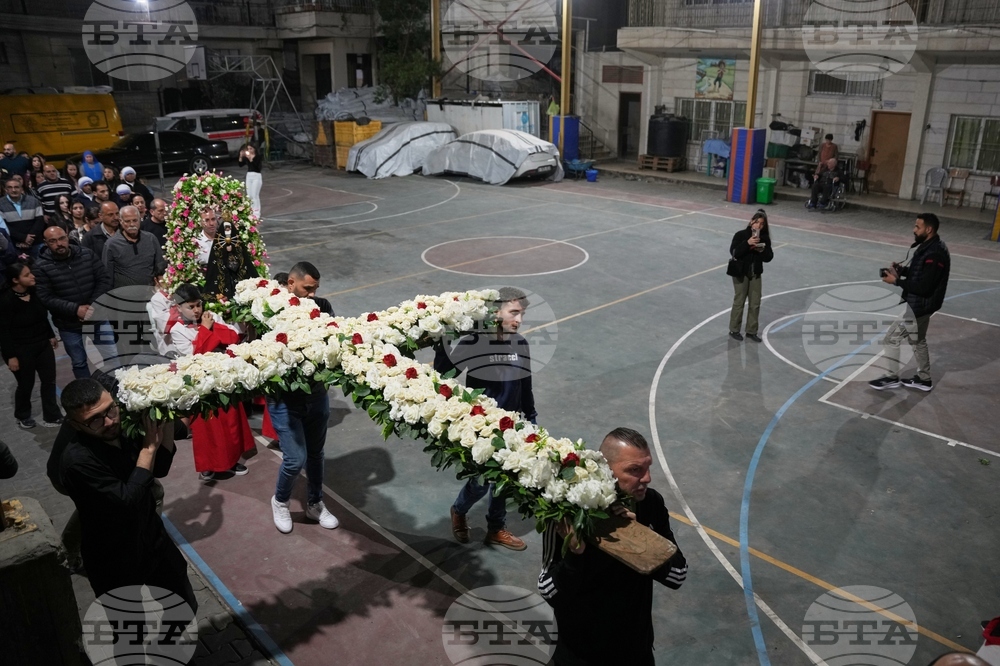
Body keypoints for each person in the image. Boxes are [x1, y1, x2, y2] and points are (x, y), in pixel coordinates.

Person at [537, 427, 687, 666]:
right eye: (635, 470)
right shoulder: (568, 514)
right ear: (606, 471)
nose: (647, 478)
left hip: (634, 650)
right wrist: (576, 556)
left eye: (647, 468)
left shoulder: (651, 504)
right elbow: (548, 590)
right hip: (579, 654)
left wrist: (640, 539)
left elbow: (678, 575)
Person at [53, 378, 196, 614]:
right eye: (94, 420)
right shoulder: (77, 463)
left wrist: (165, 419)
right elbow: (128, 501)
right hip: (112, 555)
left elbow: (159, 469)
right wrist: (148, 448)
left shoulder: (125, 424)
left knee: (182, 607)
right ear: (75, 425)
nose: (109, 421)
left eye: (110, 409)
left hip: (152, 538)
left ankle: (171, 647)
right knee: (130, 628)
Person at [437, 287, 535, 551]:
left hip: (512, 424)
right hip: (481, 425)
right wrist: (442, 341)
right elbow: (444, 375)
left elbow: (525, 386)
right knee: (481, 483)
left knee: (505, 479)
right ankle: (459, 509)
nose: (519, 320)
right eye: (514, 312)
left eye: (522, 314)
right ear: (495, 312)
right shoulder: (475, 342)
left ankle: (496, 528)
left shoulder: (521, 344)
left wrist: (532, 419)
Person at [269, 261, 338, 534]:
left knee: (316, 454)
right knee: (295, 459)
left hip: (317, 396)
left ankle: (315, 503)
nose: (311, 294)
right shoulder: (271, 311)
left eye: (315, 289)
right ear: (291, 284)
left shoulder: (323, 306)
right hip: (285, 400)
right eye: (307, 289)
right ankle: (281, 501)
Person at [166, 283, 255, 480]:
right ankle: (209, 465)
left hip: (222, 377)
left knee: (229, 421)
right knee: (207, 426)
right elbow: (193, 355)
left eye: (198, 305)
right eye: (191, 307)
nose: (196, 310)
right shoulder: (177, 330)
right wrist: (206, 330)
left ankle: (231, 460)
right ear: (179, 307)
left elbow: (232, 337)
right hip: (199, 383)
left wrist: (213, 326)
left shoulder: (211, 318)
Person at [869, 213, 950, 392]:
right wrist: (902, 270)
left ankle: (891, 377)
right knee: (917, 340)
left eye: (917, 227)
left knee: (890, 339)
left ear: (929, 229)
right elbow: (922, 274)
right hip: (923, 305)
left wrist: (896, 281)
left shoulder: (934, 253)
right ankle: (924, 379)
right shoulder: (930, 247)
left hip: (919, 306)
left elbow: (924, 287)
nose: (914, 230)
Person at [34, 226, 114, 379]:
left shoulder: (86, 254)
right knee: (79, 362)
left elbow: (104, 280)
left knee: (112, 358)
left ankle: (117, 393)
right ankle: (87, 398)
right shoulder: (40, 267)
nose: (59, 243)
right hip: (69, 324)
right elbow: (45, 297)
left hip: (97, 317)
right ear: (46, 243)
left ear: (67, 237)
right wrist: (76, 309)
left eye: (62, 238)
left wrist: (91, 306)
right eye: (53, 241)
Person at [0, 262, 63, 429]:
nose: (32, 276)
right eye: (27, 275)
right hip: (21, 349)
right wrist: (11, 357)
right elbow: (3, 332)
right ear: (15, 280)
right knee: (26, 384)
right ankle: (23, 415)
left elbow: (42, 317)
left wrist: (50, 335)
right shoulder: (6, 300)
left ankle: (52, 414)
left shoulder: (34, 293)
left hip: (42, 344)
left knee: (49, 380)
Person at [728, 210, 773, 342]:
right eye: (757, 222)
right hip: (740, 273)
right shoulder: (740, 235)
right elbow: (734, 252)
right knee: (739, 302)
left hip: (755, 273)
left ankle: (751, 331)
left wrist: (762, 250)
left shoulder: (764, 238)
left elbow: (769, 257)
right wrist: (747, 243)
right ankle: (734, 329)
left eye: (762, 224)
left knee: (755, 303)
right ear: (751, 221)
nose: (758, 225)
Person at [102, 205, 165, 288]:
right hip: (124, 295)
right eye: (127, 221)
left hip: (150, 293)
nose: (132, 224)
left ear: (140, 220)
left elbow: (159, 265)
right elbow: (107, 275)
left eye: (135, 220)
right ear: (121, 221)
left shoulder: (151, 238)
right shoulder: (111, 244)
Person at [204, 217, 259, 301]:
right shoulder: (217, 248)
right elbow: (214, 267)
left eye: (229, 229)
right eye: (225, 230)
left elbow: (244, 263)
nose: (227, 234)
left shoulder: (238, 247)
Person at [0, 176, 45, 256]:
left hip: (36, 242)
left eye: (16, 187)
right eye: (10, 187)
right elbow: (4, 226)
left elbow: (40, 221)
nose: (13, 190)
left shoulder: (34, 201)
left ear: (21, 188)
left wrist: (30, 238)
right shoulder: (1, 204)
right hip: (14, 244)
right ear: (6, 189)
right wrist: (23, 237)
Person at [239, 144, 263, 219]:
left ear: (254, 149)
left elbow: (258, 168)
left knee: (254, 195)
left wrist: (251, 160)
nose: (249, 150)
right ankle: (251, 211)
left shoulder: (258, 157)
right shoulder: (247, 157)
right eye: (248, 149)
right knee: (249, 196)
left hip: (256, 176)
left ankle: (256, 213)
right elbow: (240, 164)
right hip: (249, 176)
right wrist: (241, 156)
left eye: (251, 148)